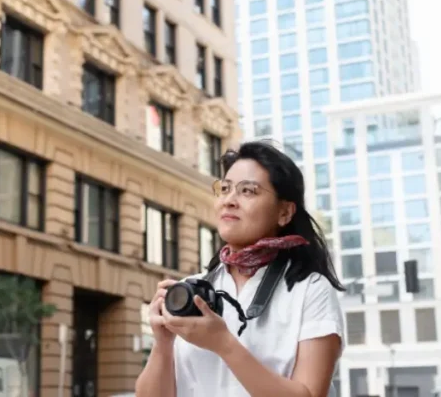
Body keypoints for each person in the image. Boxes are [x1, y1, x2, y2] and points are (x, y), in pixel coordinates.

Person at [135, 141, 346, 397]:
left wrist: (223, 344)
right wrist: (163, 342)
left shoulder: (311, 289)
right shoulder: (194, 290)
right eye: (225, 189)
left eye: (248, 191)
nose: (229, 201)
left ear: (284, 212)